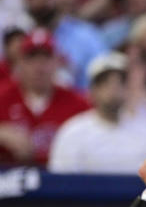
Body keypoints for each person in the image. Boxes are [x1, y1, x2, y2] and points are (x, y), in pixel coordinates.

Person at [48, 52, 146, 174]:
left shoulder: (145, 132)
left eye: (120, 82)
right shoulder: (73, 133)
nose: (113, 88)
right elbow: (62, 184)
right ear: (92, 91)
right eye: (105, 83)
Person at [0, 28, 89, 166]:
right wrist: (2, 133)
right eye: (32, 58)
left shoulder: (77, 102)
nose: (39, 67)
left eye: (45, 58)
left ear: (57, 62)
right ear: (20, 63)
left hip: (60, 181)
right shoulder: (3, 96)